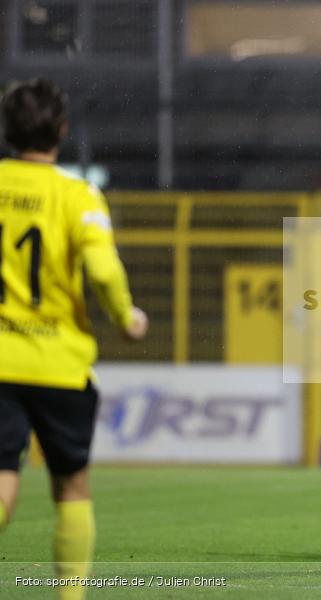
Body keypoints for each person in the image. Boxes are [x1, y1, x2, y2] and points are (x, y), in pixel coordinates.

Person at [0, 79, 148, 600]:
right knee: (71, 486)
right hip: (59, 362)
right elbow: (103, 271)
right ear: (61, 130)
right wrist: (125, 317)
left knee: (1, 476)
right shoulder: (77, 194)